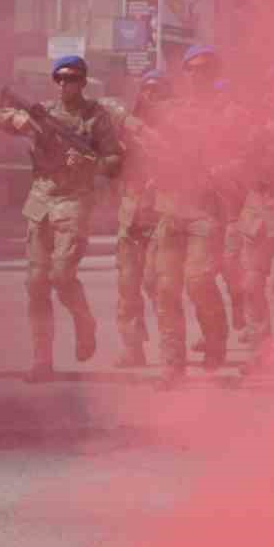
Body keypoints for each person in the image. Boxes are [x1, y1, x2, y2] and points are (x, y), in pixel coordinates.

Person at [0, 56, 121, 382]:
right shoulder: (41, 113)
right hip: (41, 200)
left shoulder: (96, 117)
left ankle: (83, 319)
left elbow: (114, 159)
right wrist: (12, 117)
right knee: (35, 284)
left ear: (82, 82)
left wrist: (90, 163)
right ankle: (41, 359)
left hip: (74, 200)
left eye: (71, 78)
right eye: (59, 78)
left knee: (61, 275)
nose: (64, 84)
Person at [152, 46, 234, 389]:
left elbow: (248, 157)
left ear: (215, 74)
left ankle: (215, 342)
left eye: (205, 69)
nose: (198, 75)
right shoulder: (168, 112)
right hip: (171, 206)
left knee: (198, 280)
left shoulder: (230, 114)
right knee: (166, 289)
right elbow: (149, 149)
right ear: (184, 75)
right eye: (192, 69)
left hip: (205, 209)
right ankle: (173, 366)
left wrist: (221, 170)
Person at [107, 72, 172, 368]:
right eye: (147, 91)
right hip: (131, 215)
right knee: (127, 287)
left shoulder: (175, 128)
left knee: (157, 285)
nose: (151, 97)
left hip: (161, 216)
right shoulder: (126, 130)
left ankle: (172, 351)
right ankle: (133, 348)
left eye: (157, 91)